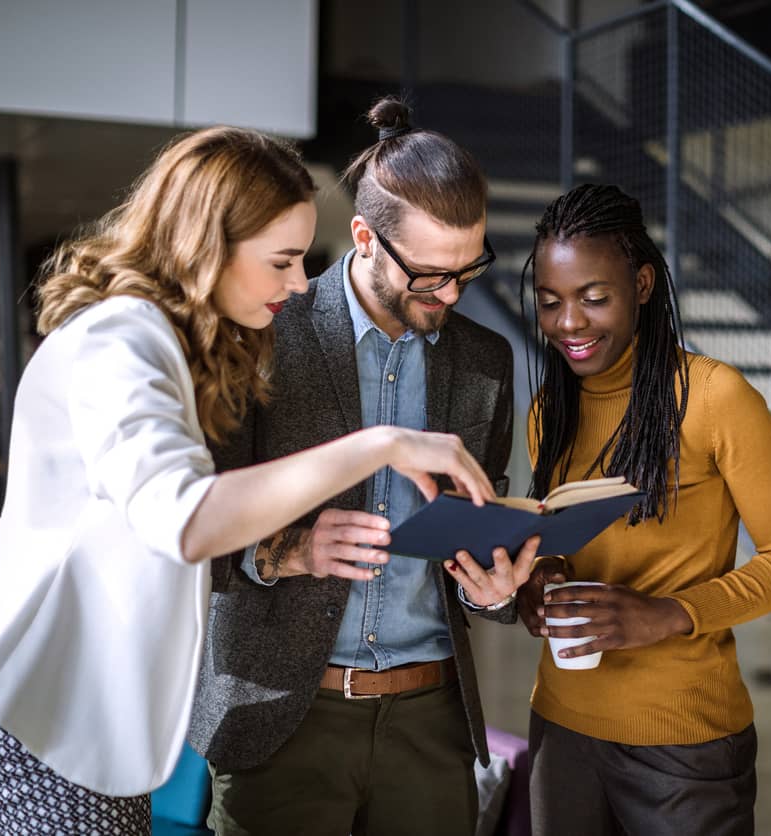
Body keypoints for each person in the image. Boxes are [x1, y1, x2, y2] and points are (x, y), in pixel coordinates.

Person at [0, 126, 496, 836]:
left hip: (94, 713)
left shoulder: (171, 344)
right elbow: (187, 520)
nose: (297, 282)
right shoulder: (120, 339)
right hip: (46, 711)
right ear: (209, 245)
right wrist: (379, 445)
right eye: (282, 260)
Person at [188, 97, 537, 836]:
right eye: (428, 275)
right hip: (281, 714)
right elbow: (191, 532)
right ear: (364, 238)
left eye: (466, 272)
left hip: (431, 724)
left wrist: (493, 587)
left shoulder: (486, 360)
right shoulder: (262, 331)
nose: (448, 295)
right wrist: (286, 550)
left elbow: (478, 531)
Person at [515, 184, 771, 836]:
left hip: (683, 739)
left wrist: (670, 614)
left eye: (594, 297)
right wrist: (540, 582)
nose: (569, 322)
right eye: (550, 302)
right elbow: (565, 543)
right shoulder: (550, 409)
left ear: (644, 283)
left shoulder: (715, 397)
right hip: (562, 723)